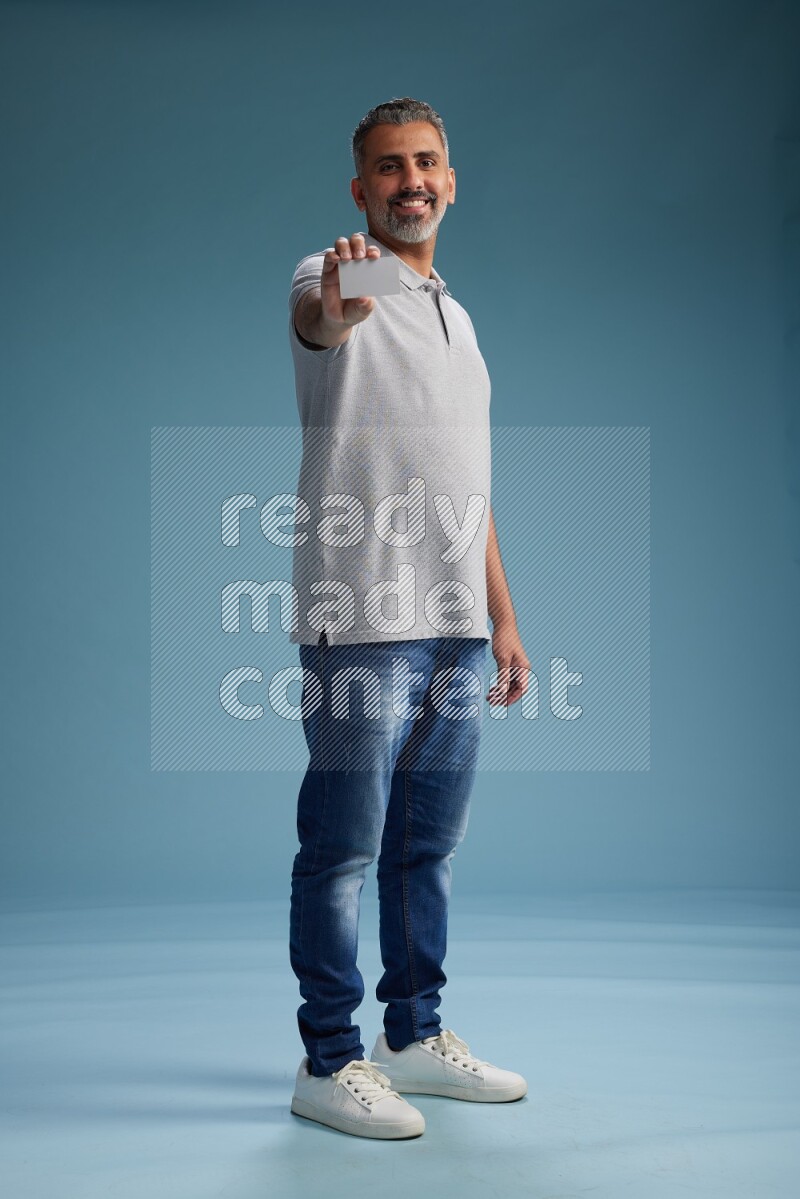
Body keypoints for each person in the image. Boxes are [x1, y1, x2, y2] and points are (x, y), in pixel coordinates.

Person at [287, 98, 531, 1140]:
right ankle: (328, 1057)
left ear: (451, 176)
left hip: (453, 625)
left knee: (423, 847)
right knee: (343, 847)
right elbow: (323, 312)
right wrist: (347, 289)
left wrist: (503, 619)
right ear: (360, 189)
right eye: (387, 167)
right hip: (362, 613)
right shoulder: (334, 271)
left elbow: (463, 484)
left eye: (425, 161)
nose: (409, 180)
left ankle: (411, 1036)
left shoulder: (455, 315)